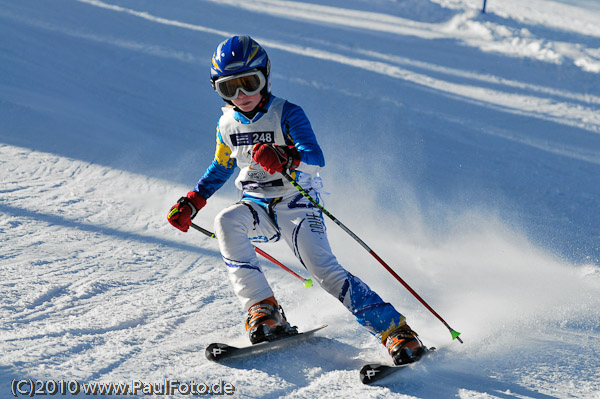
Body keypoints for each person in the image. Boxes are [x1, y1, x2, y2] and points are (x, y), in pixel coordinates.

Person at [167, 35, 424, 365]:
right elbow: (222, 164)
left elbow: (316, 156)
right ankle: (263, 310)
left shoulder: (287, 113)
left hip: (296, 202)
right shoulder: (226, 124)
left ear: (266, 77)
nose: (241, 95)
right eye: (229, 88)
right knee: (226, 222)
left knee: (324, 271)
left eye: (249, 83)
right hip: (257, 205)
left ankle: (396, 333)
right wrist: (193, 201)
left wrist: (286, 156)